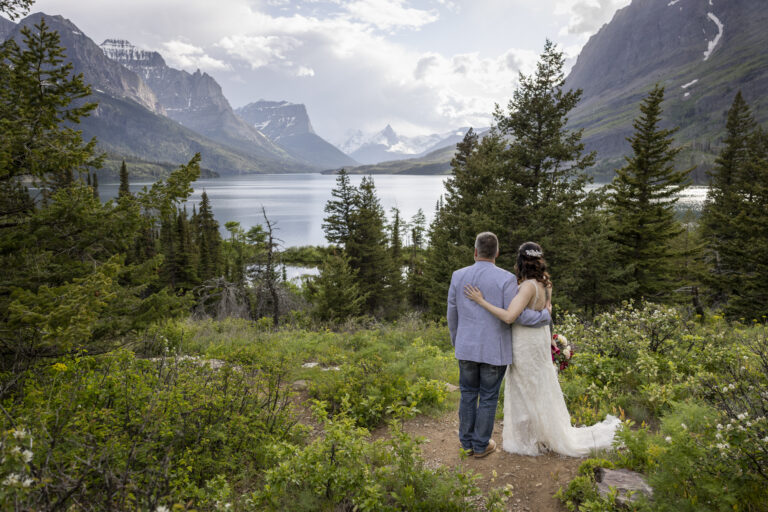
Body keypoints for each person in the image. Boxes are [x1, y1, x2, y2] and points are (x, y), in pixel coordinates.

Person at [464, 241, 621, 457]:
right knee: (539, 385)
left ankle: (530, 437)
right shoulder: (546, 284)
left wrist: (481, 301)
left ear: (520, 261)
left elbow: (510, 316)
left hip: (525, 342)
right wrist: (548, 332)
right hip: (539, 339)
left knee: (525, 386)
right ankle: (543, 433)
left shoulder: (527, 286)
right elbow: (547, 314)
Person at [447, 232, 551, 458]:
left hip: (466, 347)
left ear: (475, 252)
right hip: (495, 350)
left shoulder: (458, 276)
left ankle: (466, 444)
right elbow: (518, 317)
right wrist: (545, 316)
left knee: (467, 394)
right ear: (497, 253)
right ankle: (481, 445)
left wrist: (458, 342)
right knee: (488, 397)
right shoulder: (506, 279)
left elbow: (452, 314)